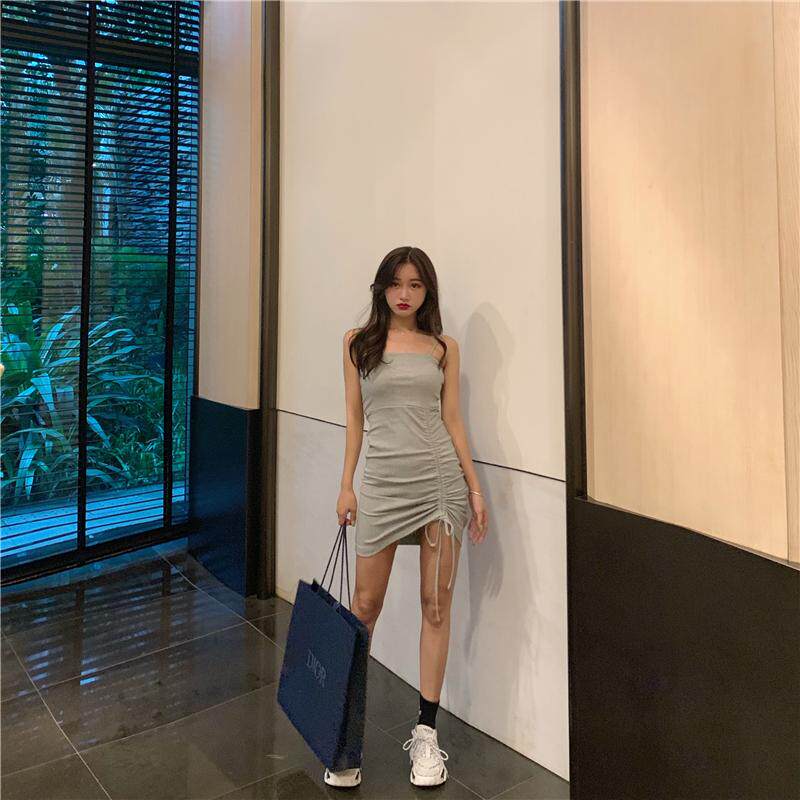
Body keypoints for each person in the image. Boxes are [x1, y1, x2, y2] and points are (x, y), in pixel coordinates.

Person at [324, 245, 489, 789]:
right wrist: (346, 484)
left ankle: (426, 735)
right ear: (382, 287)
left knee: (435, 605)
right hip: (383, 485)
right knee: (364, 607)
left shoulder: (443, 348)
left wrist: (475, 488)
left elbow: (453, 420)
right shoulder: (357, 343)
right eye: (396, 283)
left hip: (440, 485)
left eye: (415, 284)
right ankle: (345, 734)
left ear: (427, 292)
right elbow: (354, 419)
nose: (404, 293)